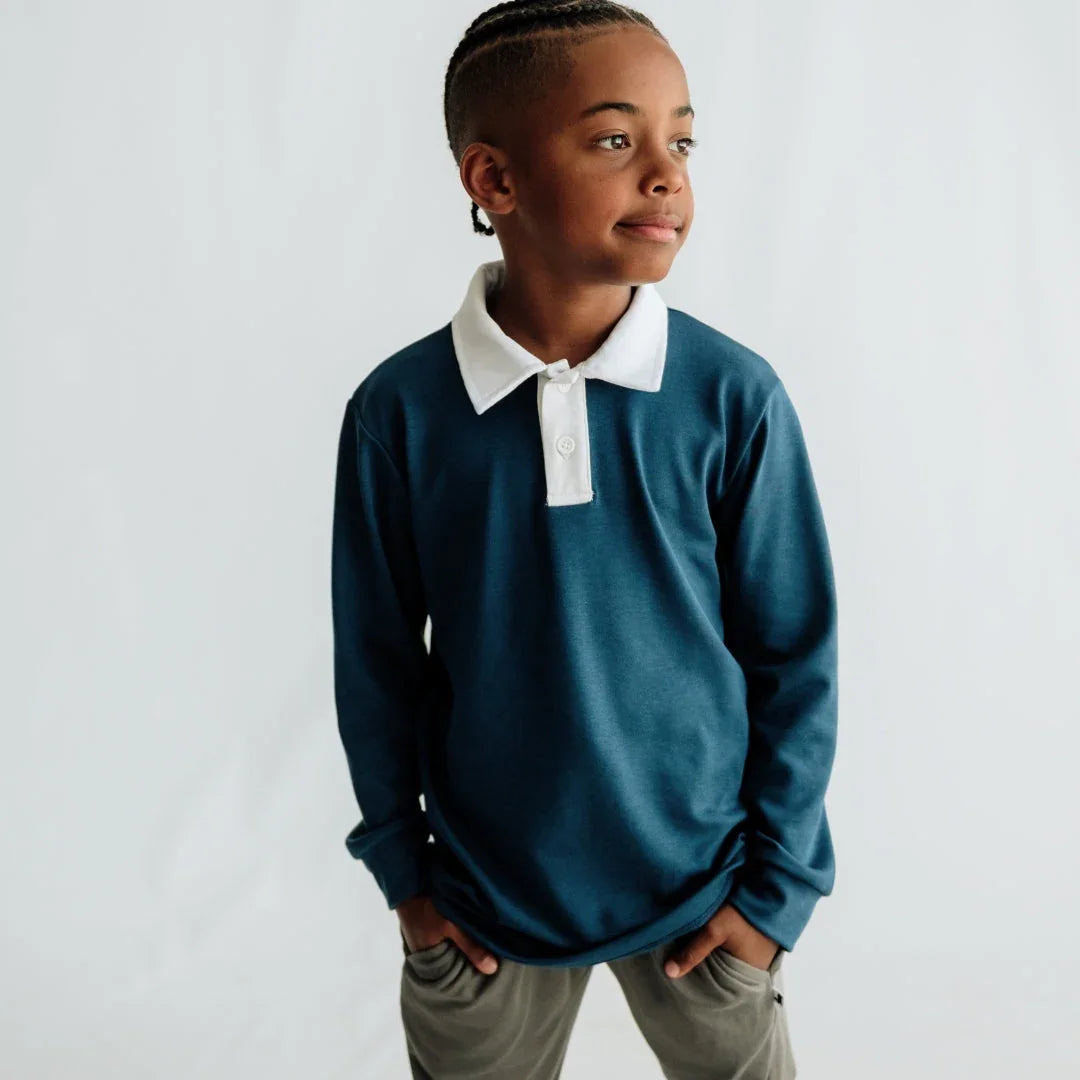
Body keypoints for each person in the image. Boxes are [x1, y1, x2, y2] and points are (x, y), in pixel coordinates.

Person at [330, 2, 837, 1077]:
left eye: (681, 142)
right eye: (615, 138)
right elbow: (375, 664)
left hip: (706, 895)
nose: (665, 175)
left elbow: (794, 657)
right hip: (481, 905)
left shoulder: (733, 398)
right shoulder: (400, 414)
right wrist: (407, 881)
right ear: (494, 180)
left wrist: (774, 894)